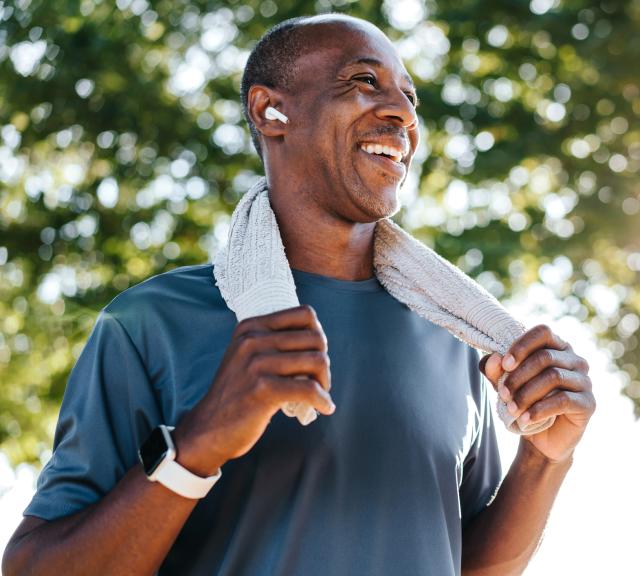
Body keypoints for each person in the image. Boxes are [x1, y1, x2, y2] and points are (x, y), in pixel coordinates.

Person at [2, 14, 595, 576]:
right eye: (365, 81)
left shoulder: (459, 337)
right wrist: (196, 446)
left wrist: (545, 459)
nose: (402, 114)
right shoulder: (150, 324)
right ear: (272, 111)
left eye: (410, 99)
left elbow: (465, 565)